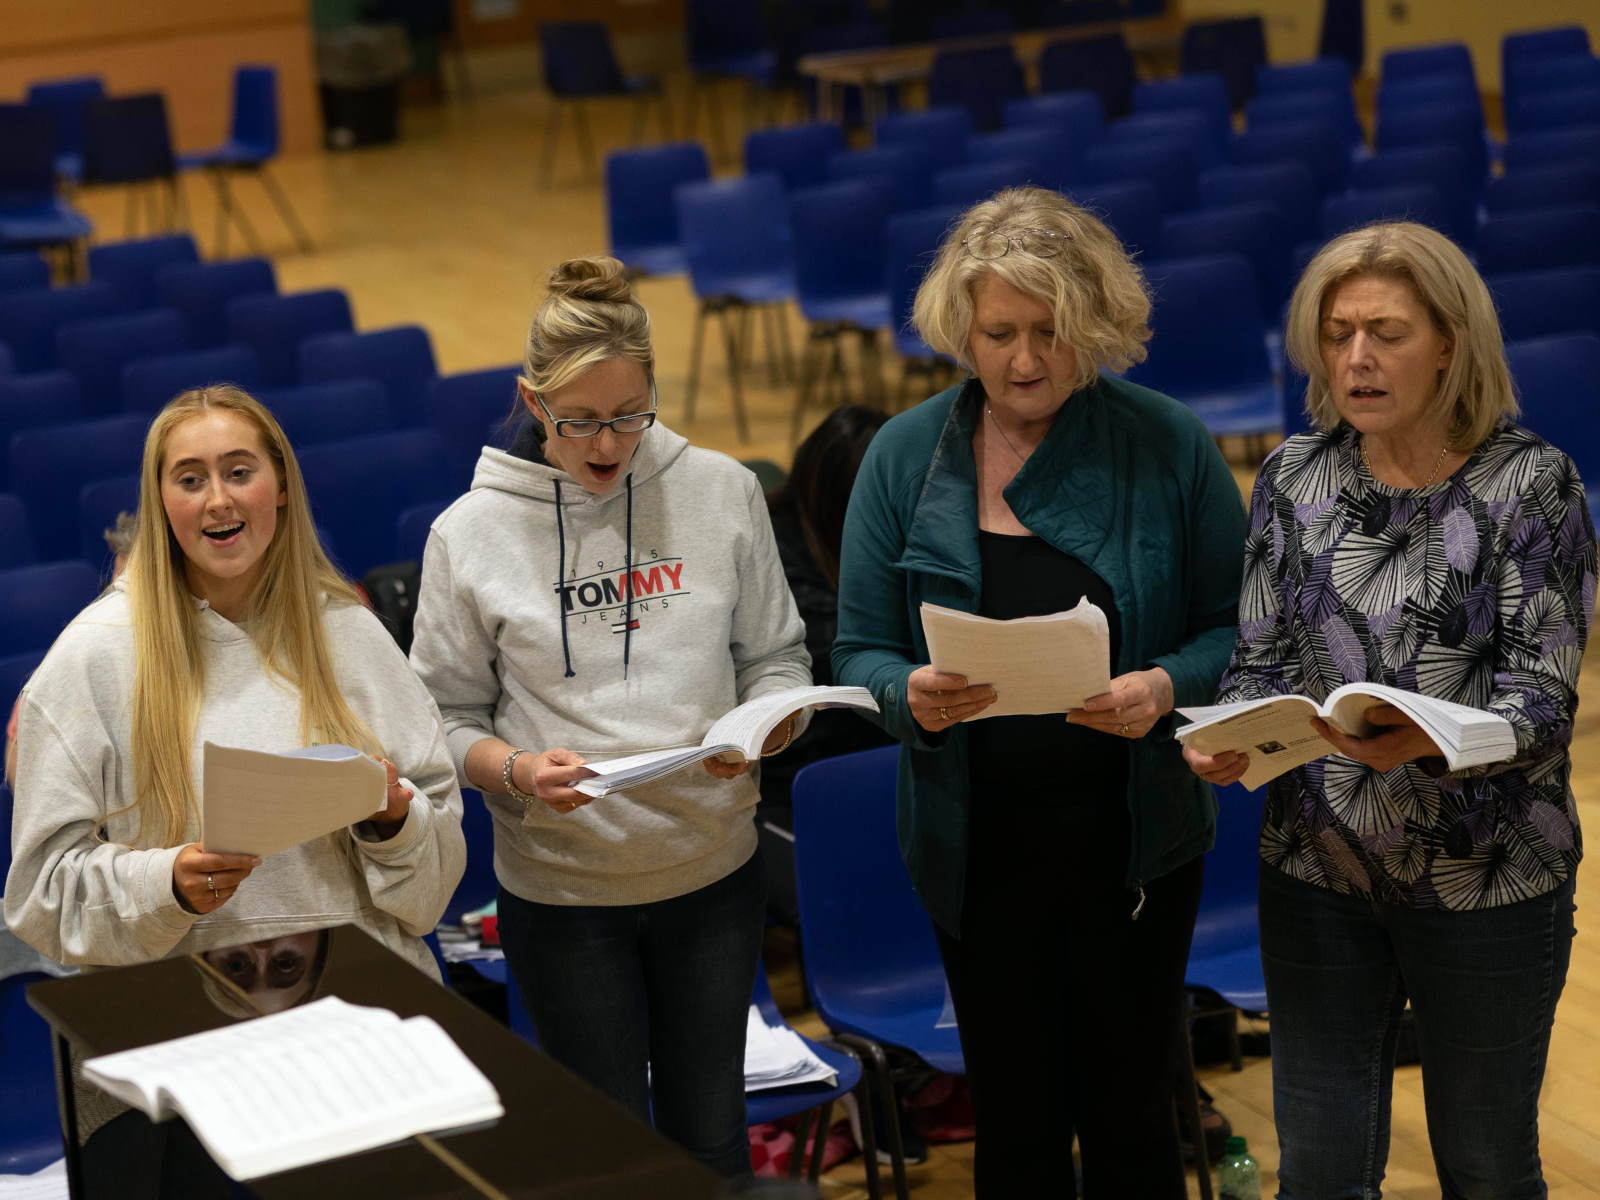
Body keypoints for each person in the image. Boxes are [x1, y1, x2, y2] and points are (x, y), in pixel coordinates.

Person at [832, 186, 1248, 1196]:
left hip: (1135, 838)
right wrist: (907, 694)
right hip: (978, 841)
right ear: (960, 333)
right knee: (1012, 1120)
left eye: (1052, 332)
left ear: (1095, 326)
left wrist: (1161, 684)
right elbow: (856, 650)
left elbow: (1236, 631)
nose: (1025, 361)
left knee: (1132, 1110)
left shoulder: (1166, 443)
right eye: (999, 333)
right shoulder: (901, 456)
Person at [1184, 221, 1593, 1198]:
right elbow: (1261, 655)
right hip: (1316, 865)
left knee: (1485, 1168)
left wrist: (1427, 742)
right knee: (1320, 1173)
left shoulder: (1530, 484)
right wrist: (1232, 732)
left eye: (1385, 332)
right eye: (1337, 334)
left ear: (1448, 342)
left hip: (1486, 877)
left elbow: (1541, 698)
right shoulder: (1293, 477)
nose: (1356, 357)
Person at [409, 255, 811, 1180]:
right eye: (581, 420)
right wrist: (515, 773)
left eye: (631, 415)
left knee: (712, 1141)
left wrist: (766, 727)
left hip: (712, 871)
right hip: (565, 896)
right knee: (613, 1160)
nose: (607, 444)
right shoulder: (468, 535)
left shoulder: (722, 491)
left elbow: (777, 658)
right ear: (531, 400)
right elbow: (442, 714)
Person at [2, 386, 465, 1188]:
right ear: (161, 502)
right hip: (180, 1057)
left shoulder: (350, 636)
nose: (217, 499)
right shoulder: (92, 661)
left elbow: (435, 876)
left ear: (279, 487)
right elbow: (40, 899)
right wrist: (165, 882)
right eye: (189, 478)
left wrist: (395, 820)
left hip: (356, 1031)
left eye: (238, 471)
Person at [758, 403, 894, 928]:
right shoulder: (770, 556)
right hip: (791, 790)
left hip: (891, 774)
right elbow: (852, 661)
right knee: (859, 910)